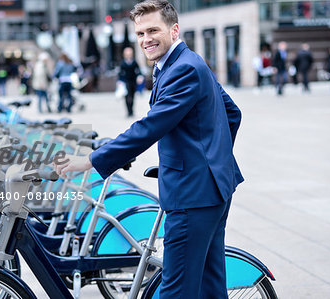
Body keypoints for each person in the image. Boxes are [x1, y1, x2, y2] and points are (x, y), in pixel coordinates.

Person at [54, 1, 243, 298]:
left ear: (174, 29)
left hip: (193, 195)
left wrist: (90, 160)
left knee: (176, 290)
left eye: (153, 30)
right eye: (140, 33)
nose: (146, 39)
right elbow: (233, 113)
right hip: (211, 190)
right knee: (209, 286)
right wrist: (211, 159)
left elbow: (150, 127)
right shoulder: (186, 62)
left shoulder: (184, 69)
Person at [119, 47, 142, 117]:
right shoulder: (123, 63)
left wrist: (139, 76)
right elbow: (120, 73)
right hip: (126, 82)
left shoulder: (134, 62)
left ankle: (131, 110)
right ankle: (128, 111)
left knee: (132, 96)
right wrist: (120, 81)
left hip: (133, 81)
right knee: (127, 97)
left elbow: (138, 71)